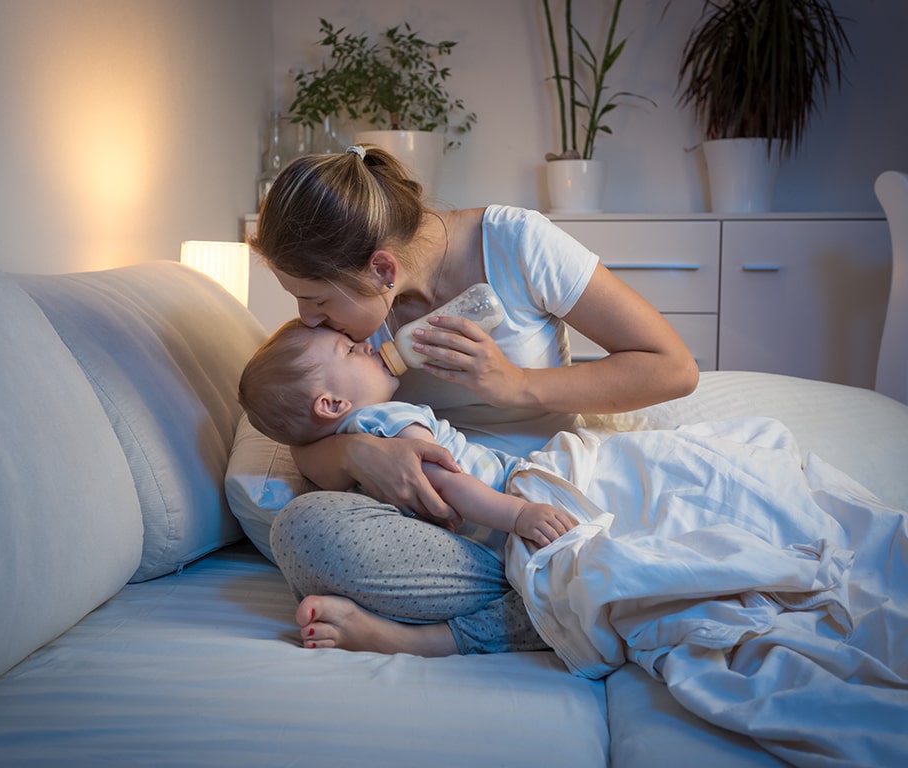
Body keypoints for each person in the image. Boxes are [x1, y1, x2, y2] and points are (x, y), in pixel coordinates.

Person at [247, 144, 699, 656]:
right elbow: (305, 437)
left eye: (317, 298)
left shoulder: (517, 244)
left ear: (382, 269)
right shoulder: (342, 335)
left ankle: (537, 593)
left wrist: (516, 384)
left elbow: (674, 368)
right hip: (442, 526)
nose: (307, 318)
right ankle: (569, 589)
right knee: (303, 529)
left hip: (536, 498)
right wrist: (361, 453)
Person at [238, 319, 580, 550]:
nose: (369, 347)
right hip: (510, 493)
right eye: (351, 351)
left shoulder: (345, 448)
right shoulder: (386, 418)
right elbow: (446, 481)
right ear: (332, 404)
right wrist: (518, 515)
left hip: (487, 526)